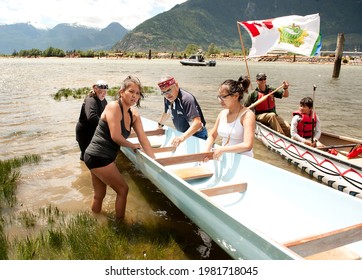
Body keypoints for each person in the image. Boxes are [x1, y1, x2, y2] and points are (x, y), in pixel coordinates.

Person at [84, 76, 155, 220]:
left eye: (137, 93)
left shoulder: (134, 114)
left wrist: (154, 161)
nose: (135, 96)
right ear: (121, 92)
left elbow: (143, 138)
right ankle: (120, 225)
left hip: (96, 156)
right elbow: (116, 136)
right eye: (131, 91)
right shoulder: (113, 107)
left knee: (99, 195)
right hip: (98, 156)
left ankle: (94, 220)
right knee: (123, 189)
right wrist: (132, 145)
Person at [203, 76, 255, 159]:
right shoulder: (222, 114)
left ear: (236, 96)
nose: (220, 100)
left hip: (244, 160)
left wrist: (223, 149)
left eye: (223, 97)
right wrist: (206, 151)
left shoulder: (247, 115)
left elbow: (247, 145)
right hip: (225, 157)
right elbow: (212, 135)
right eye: (219, 97)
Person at [157, 75, 208, 146]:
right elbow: (167, 113)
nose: (167, 95)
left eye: (169, 90)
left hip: (197, 135)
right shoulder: (167, 98)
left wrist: (182, 138)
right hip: (183, 134)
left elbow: (198, 123)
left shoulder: (186, 99)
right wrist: (159, 126)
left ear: (176, 85)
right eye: (164, 92)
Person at [76, 80, 108, 161]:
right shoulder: (91, 100)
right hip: (85, 133)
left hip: (94, 131)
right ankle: (85, 171)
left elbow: (107, 114)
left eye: (105, 91)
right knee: (87, 157)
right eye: (101, 91)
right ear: (95, 88)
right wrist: (105, 127)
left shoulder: (104, 100)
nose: (103, 93)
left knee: (92, 157)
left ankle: (84, 170)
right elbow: (92, 117)